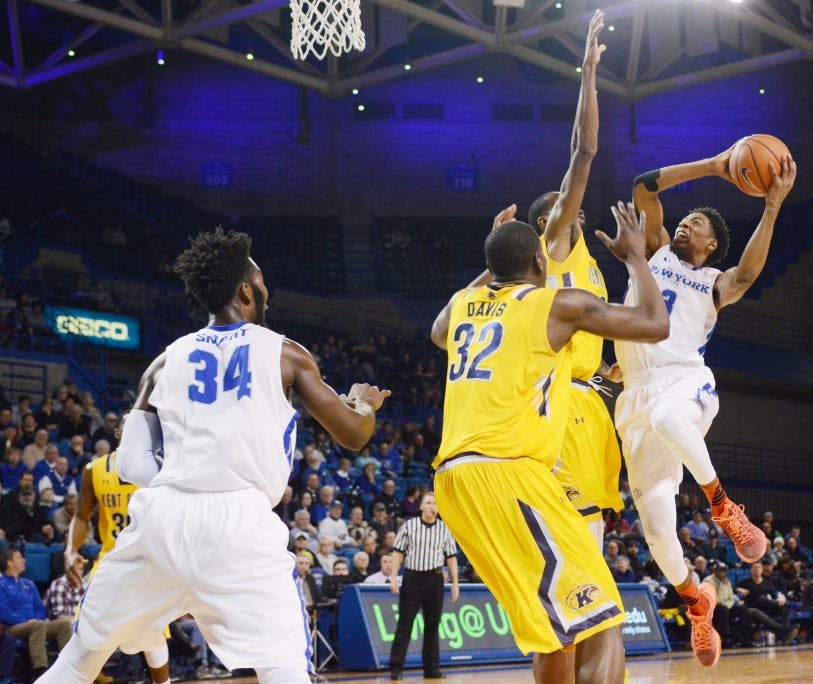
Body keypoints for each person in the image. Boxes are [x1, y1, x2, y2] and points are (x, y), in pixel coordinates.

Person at [37, 227, 390, 684]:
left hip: (161, 518)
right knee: (282, 664)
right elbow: (354, 436)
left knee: (78, 661)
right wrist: (363, 402)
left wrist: (187, 483)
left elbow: (130, 465)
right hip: (239, 520)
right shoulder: (285, 353)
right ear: (245, 289)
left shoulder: (163, 361)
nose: (265, 290)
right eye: (260, 282)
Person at [429, 198, 669, 684]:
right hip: (507, 472)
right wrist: (635, 257)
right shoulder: (551, 304)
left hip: (454, 479)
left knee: (552, 628)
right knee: (602, 614)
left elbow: (438, 333)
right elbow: (655, 324)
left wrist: (491, 267)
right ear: (541, 260)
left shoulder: (462, 307)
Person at [615, 140, 796, 666]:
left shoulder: (713, 281)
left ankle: (725, 507)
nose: (686, 225)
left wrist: (772, 204)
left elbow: (748, 275)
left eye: (697, 223)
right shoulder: (652, 251)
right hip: (634, 396)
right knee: (655, 530)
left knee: (671, 417)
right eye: (686, 218)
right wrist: (714, 167)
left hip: (685, 383)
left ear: (713, 243)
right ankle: (698, 603)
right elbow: (644, 185)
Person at [522, 9, 623, 548]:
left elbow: (588, 341)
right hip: (556, 401)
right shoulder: (553, 244)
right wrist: (587, 73)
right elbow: (583, 152)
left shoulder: (590, 262)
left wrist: (609, 372)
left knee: (592, 543)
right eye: (567, 207)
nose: (578, 211)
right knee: (569, 546)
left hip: (588, 401)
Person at [63, 448, 171, 684]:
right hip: (111, 560)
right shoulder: (95, 469)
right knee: (85, 630)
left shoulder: (161, 468)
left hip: (148, 558)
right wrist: (70, 551)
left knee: (154, 630)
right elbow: (81, 516)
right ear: (118, 432)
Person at [387, 491, 459, 680]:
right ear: (421, 506)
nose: (432, 506)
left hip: (435, 579)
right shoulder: (409, 526)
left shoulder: (444, 529)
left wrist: (455, 583)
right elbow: (397, 553)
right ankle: (396, 668)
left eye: (435, 503)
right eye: (428, 502)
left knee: (433, 625)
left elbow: (451, 558)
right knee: (405, 624)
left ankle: (431, 668)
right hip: (413, 578)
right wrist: (394, 577)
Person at [0, 549, 73, 680]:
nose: (24, 560)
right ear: (10, 563)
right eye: (19, 558)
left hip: (34, 624)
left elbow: (40, 609)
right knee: (37, 626)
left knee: (63, 624)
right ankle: (40, 670)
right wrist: (26, 621)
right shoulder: (1, 584)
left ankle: (68, 666)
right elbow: (4, 613)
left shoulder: (29, 583)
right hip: (12, 627)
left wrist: (35, 619)